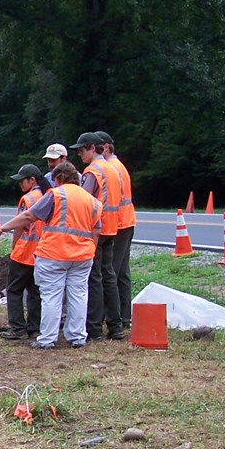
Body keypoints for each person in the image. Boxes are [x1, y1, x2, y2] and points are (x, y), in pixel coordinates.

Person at [0, 162, 101, 349]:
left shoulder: (56, 195)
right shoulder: (92, 201)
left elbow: (29, 216)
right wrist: (91, 251)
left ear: (60, 178)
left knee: (51, 297)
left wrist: (3, 228)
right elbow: (96, 230)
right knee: (79, 295)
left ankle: (47, 339)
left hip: (54, 254)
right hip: (83, 255)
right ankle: (77, 337)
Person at [71, 131, 124, 341]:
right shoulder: (112, 168)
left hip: (95, 228)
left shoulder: (93, 171)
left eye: (81, 150)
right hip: (111, 227)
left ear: (93, 148)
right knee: (109, 276)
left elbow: (83, 198)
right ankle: (115, 326)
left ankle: (93, 328)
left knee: (94, 278)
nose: (79, 155)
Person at [0, 164, 52, 340]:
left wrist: (14, 247)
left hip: (25, 252)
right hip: (42, 252)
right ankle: (34, 328)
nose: (20, 184)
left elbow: (20, 226)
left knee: (14, 290)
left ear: (32, 180)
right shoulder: (48, 196)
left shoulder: (27, 199)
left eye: (22, 180)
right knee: (35, 291)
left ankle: (18, 328)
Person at [96, 131, 135, 337]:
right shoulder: (117, 166)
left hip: (118, 224)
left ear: (106, 147)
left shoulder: (111, 168)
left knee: (111, 272)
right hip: (125, 221)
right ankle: (123, 316)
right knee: (121, 273)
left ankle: (113, 316)